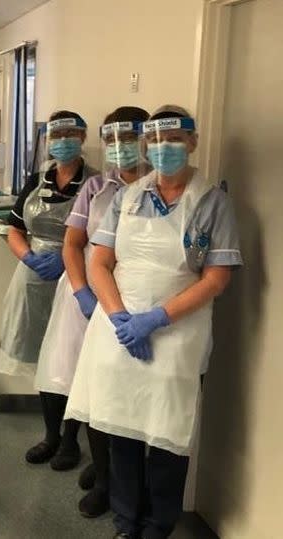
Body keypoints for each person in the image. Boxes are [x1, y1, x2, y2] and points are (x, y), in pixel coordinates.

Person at [65, 106, 242, 539]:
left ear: (193, 143)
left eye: (175, 141)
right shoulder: (128, 198)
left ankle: (158, 523)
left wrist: (157, 318)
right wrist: (121, 316)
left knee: (167, 431)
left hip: (178, 331)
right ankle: (126, 520)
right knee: (120, 427)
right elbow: (100, 262)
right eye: (157, 143)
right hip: (118, 327)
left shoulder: (212, 203)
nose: (165, 150)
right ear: (148, 146)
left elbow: (217, 277)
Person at [35, 107, 149, 518]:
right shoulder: (98, 187)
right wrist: (83, 293)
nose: (120, 148)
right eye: (112, 140)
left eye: (129, 139)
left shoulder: (162, 190)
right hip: (90, 296)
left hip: (138, 302)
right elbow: (72, 243)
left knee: (128, 394)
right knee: (92, 389)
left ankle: (124, 479)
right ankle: (103, 478)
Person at [0, 110, 97, 467]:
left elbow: (101, 239)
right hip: (34, 276)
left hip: (76, 277)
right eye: (57, 134)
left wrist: (72, 260)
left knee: (70, 358)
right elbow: (13, 227)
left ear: (83, 138)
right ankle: (51, 435)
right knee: (43, 357)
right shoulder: (37, 179)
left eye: (71, 133)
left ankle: (71, 439)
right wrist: (27, 257)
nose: (63, 140)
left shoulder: (95, 183)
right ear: (48, 140)